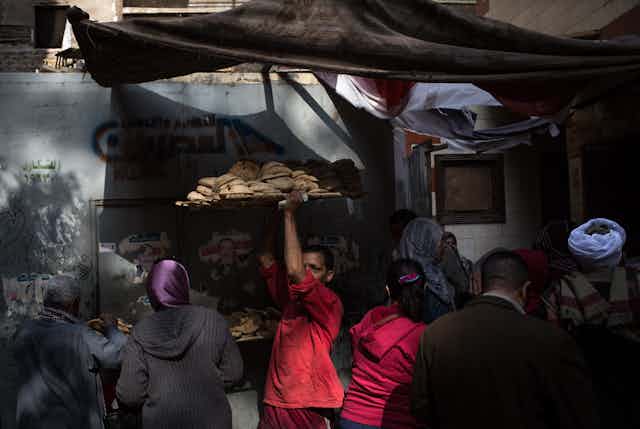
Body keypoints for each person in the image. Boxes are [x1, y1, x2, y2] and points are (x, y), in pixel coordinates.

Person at [411, 250, 600, 429]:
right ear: (525, 290)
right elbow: (577, 414)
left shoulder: (435, 333)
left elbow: (421, 408)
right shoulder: (552, 340)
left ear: (478, 286)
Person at [116, 259, 243, 429]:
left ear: (152, 291)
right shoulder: (214, 321)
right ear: (183, 285)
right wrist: (207, 383)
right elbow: (234, 373)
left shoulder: (139, 333)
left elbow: (129, 394)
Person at [257, 192, 344, 429]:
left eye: (314, 269)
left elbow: (295, 273)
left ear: (329, 275)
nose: (306, 273)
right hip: (277, 400)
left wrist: (289, 213)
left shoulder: (329, 302)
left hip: (307, 404)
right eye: (304, 266)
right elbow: (265, 258)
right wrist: (275, 212)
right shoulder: (291, 297)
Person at [552, 218, 640, 428]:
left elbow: (555, 340)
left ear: (578, 255)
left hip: (584, 381)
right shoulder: (635, 280)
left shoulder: (562, 288)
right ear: (618, 251)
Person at [13, 275, 127, 429]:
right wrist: (112, 329)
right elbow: (118, 356)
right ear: (74, 303)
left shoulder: (24, 331)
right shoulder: (81, 334)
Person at [339, 259, 427, 429]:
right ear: (424, 289)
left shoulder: (369, 320)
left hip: (352, 417)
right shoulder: (423, 335)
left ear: (387, 290)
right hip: (396, 421)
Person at [397, 218, 454, 323]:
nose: (443, 247)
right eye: (439, 242)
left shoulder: (435, 273)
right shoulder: (421, 286)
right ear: (424, 244)